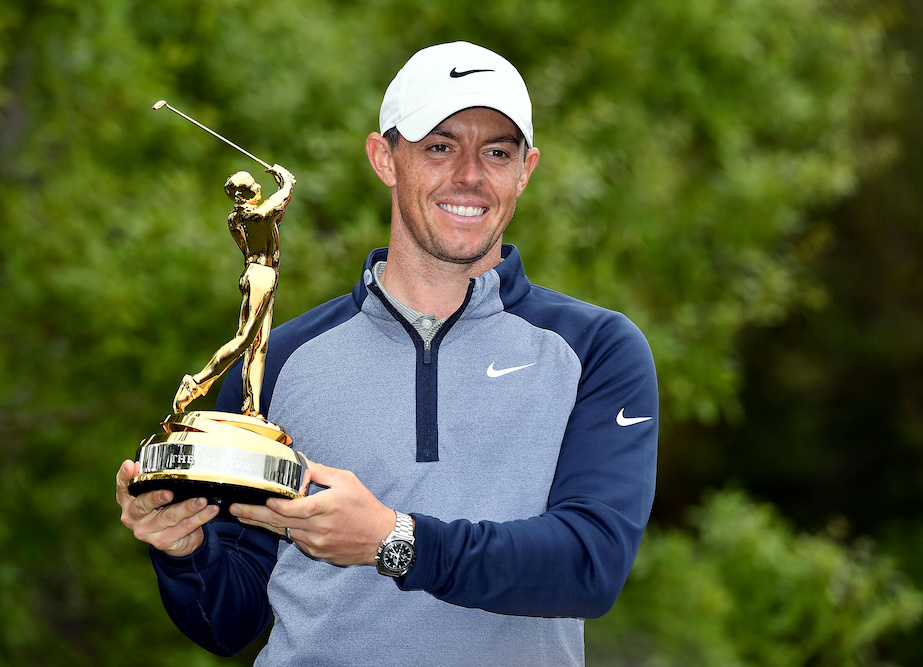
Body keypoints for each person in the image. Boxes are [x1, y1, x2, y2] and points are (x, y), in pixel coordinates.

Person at [116, 41, 658, 666]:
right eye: (439, 146)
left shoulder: (596, 348)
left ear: (526, 170)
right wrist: (183, 552)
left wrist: (392, 539)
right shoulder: (283, 358)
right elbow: (230, 621)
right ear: (385, 159)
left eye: (497, 152)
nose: (471, 176)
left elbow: (589, 565)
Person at [172, 165, 295, 416]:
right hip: (261, 275)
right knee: (245, 340)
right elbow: (275, 206)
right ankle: (196, 383)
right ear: (240, 196)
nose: (258, 186)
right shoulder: (252, 217)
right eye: (252, 185)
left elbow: (275, 214)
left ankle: (252, 408)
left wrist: (285, 187)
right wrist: (285, 183)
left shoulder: (241, 218)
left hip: (262, 275)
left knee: (257, 347)